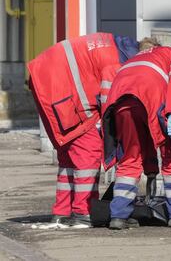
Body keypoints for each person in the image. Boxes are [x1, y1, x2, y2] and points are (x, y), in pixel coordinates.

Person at [28, 33, 140, 229]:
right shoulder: (118, 62)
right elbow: (109, 103)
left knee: (69, 155)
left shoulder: (114, 44)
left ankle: (61, 212)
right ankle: (84, 211)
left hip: (45, 81)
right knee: (88, 151)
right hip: (63, 91)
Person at [102, 38, 171, 229]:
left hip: (121, 105)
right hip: (152, 99)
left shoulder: (130, 62)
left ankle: (119, 216)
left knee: (130, 158)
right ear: (158, 46)